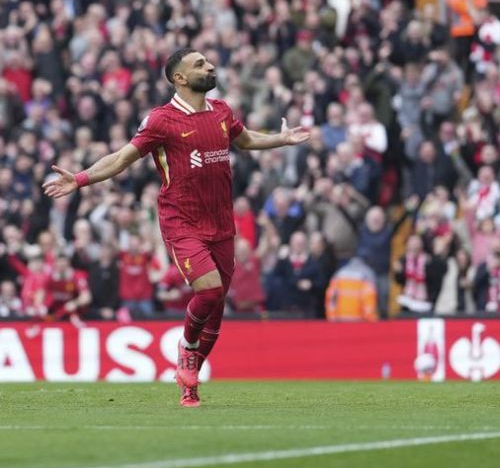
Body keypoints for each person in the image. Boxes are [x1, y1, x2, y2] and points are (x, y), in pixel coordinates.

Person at [42, 48, 310, 407]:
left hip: (221, 223)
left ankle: (189, 382)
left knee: (215, 313)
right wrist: (80, 178)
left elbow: (245, 140)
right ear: (180, 78)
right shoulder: (161, 120)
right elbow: (122, 159)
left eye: (208, 61)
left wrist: (281, 139)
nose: (210, 66)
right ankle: (186, 348)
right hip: (181, 222)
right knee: (210, 291)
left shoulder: (221, 111)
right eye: (200, 64)